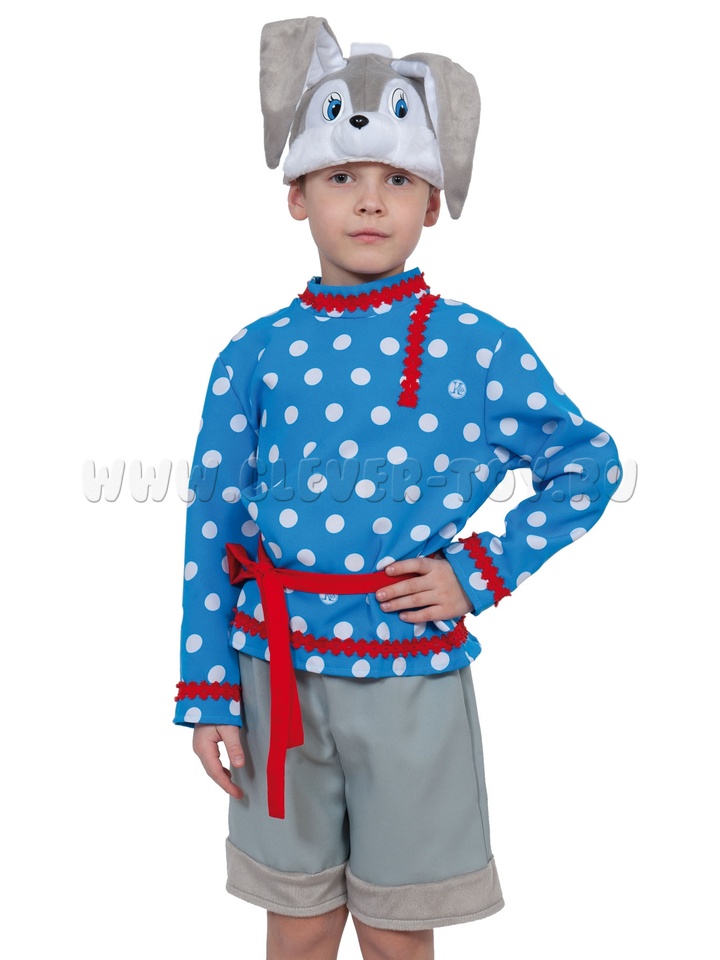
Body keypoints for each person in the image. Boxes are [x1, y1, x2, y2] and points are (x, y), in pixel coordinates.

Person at [173, 17, 622, 960]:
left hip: (409, 678)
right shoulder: (252, 354)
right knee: (298, 924)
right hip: (274, 673)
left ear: (434, 202)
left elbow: (588, 466)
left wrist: (480, 571)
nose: (371, 201)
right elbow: (214, 527)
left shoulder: (478, 348)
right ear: (297, 195)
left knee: (394, 931)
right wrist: (208, 689)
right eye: (342, 177)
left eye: (398, 181)